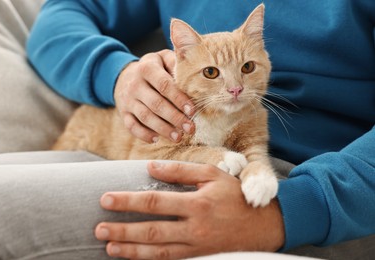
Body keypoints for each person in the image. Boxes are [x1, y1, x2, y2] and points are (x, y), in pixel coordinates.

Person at [26, 0, 375, 259]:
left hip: (328, 193)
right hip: (136, 149)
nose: (235, 86)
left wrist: (291, 210)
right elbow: (61, 17)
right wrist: (117, 74)